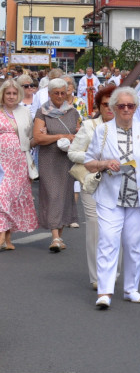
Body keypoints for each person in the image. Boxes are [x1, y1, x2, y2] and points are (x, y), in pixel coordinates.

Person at [84, 86, 140, 308]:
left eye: (131, 106)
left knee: (133, 244)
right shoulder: (103, 131)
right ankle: (105, 292)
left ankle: (131, 289)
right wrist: (104, 163)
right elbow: (89, 162)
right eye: (122, 106)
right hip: (111, 195)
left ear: (136, 107)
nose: (127, 109)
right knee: (108, 242)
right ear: (114, 108)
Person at [68, 84, 119, 288]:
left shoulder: (127, 127)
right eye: (105, 104)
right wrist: (97, 160)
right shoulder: (89, 126)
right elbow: (73, 153)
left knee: (116, 230)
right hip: (92, 182)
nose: (109, 108)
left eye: (113, 104)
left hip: (118, 184)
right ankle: (97, 277)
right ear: (98, 105)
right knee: (95, 228)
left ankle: (113, 272)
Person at [32, 78, 80, 252]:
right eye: (56, 93)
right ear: (50, 94)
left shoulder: (73, 112)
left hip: (67, 159)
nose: (60, 96)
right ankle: (55, 237)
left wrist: (71, 138)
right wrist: (61, 137)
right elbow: (38, 138)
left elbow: (78, 134)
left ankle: (59, 235)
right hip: (49, 159)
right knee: (53, 195)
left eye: (63, 92)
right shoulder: (42, 112)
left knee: (65, 195)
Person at [0, 79, 38, 251]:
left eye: (14, 93)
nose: (11, 96)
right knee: (3, 195)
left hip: (19, 161)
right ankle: (1, 234)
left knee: (13, 198)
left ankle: (8, 238)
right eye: (8, 93)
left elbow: (29, 136)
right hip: (2, 162)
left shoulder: (24, 112)